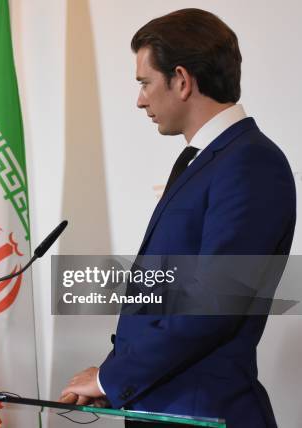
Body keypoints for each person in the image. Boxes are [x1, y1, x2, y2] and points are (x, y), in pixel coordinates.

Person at [60, 8, 296, 428]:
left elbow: (213, 305)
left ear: (182, 80)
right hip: (165, 407)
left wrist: (111, 377)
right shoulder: (206, 162)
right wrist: (114, 374)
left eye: (145, 83)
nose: (140, 99)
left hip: (206, 413)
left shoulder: (251, 163)